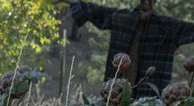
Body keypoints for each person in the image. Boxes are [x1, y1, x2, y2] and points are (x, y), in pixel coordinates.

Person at [64, 0, 194, 97]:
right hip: (119, 86)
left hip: (148, 89)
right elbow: (96, 11)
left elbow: (189, 29)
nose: (146, 3)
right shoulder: (123, 18)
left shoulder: (166, 26)